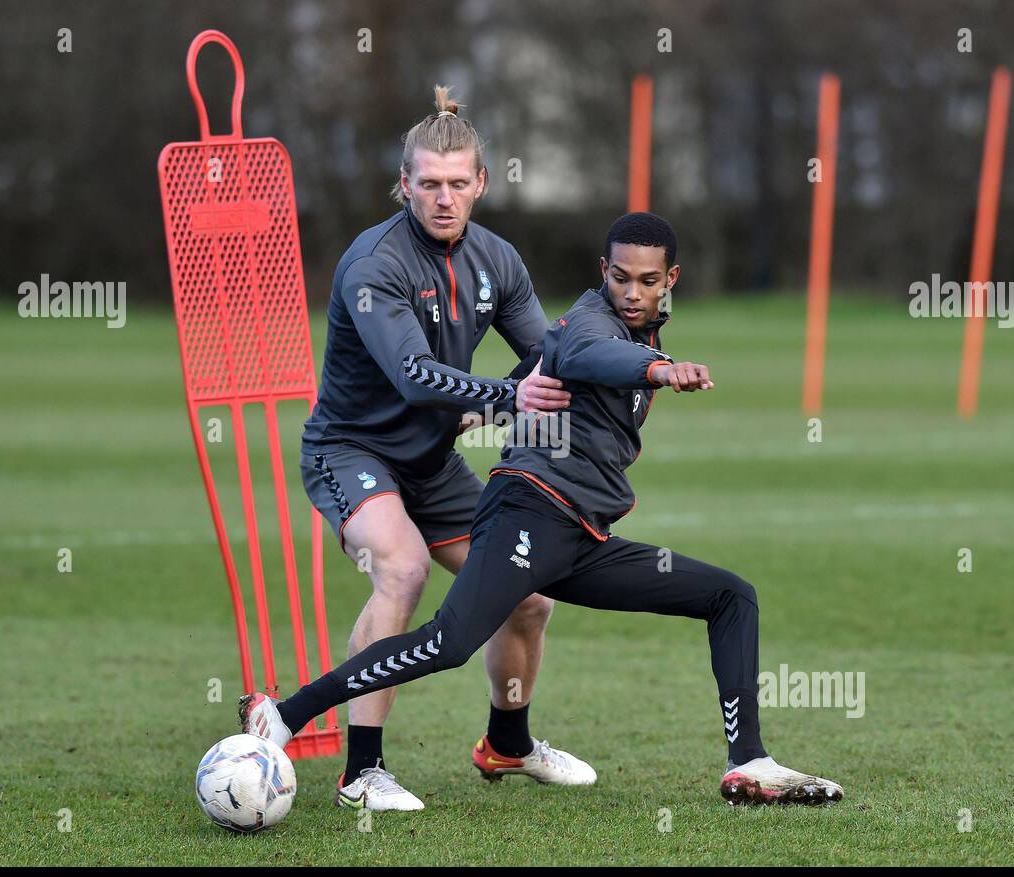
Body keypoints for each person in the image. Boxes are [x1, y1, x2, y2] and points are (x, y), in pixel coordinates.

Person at [244, 212, 844, 806]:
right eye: (621, 277)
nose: (631, 293)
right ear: (602, 271)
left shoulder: (641, 330)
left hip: (581, 536)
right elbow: (587, 354)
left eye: (647, 280)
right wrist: (657, 370)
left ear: (671, 280)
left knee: (730, 596)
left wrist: (642, 360)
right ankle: (286, 715)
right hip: (527, 513)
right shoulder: (589, 323)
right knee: (449, 643)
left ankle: (747, 763)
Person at [295, 86, 595, 812]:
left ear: (482, 183)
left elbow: (543, 355)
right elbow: (411, 373)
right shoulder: (375, 265)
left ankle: (508, 745)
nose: (443, 198)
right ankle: (360, 772)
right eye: (428, 183)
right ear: (403, 184)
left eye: (459, 183)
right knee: (399, 569)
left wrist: (624, 360)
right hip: (351, 453)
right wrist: (497, 398)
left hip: (430, 464)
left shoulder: (498, 260)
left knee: (527, 597)